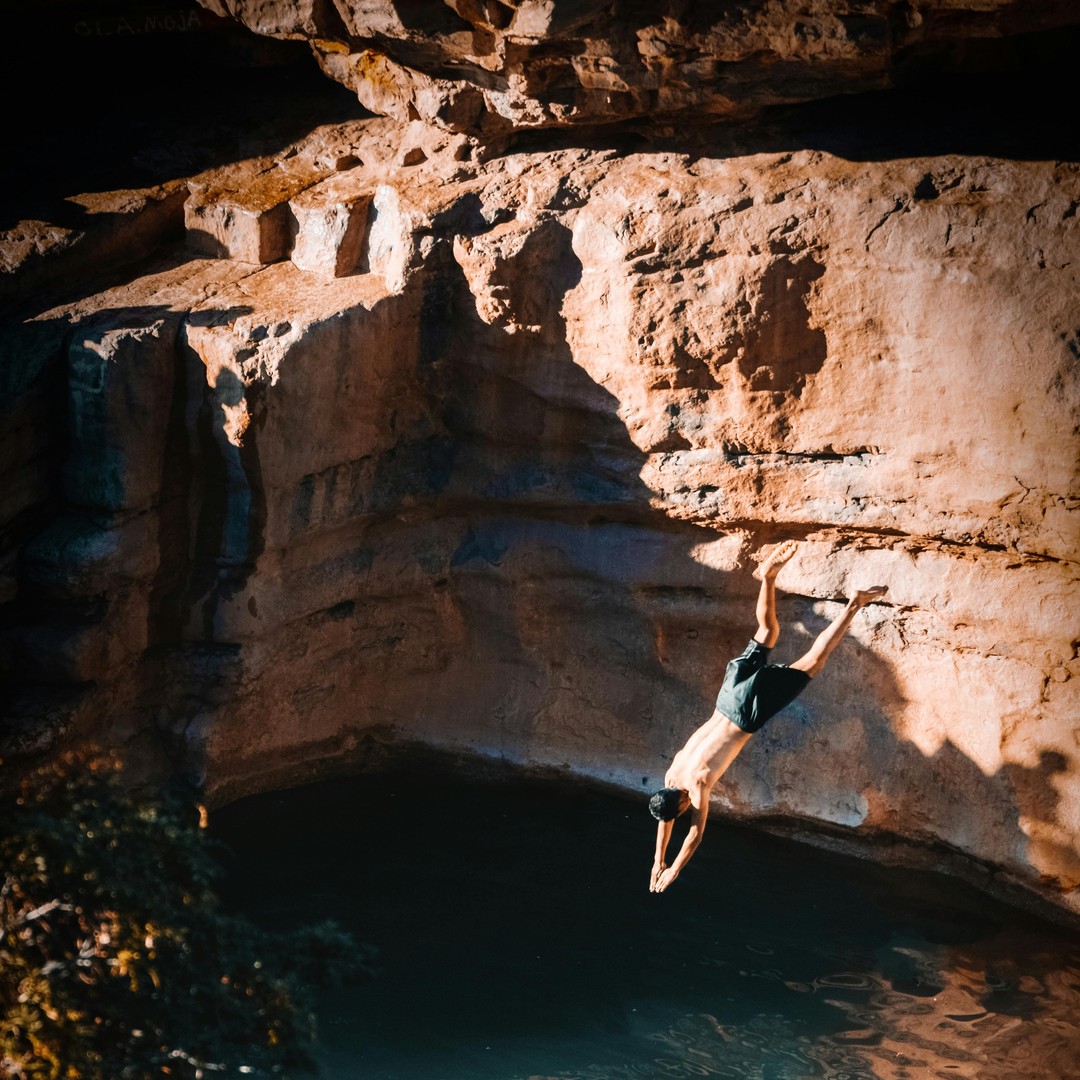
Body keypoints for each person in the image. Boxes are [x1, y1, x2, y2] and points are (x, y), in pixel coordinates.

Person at [648, 540, 887, 893]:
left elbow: (695, 833)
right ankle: (769, 578)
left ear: (683, 801)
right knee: (766, 633)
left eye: (681, 809)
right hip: (727, 696)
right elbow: (667, 819)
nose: (684, 811)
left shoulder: (696, 784)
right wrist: (656, 859)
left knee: (812, 663)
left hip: (747, 713)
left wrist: (674, 869)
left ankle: (854, 605)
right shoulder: (674, 772)